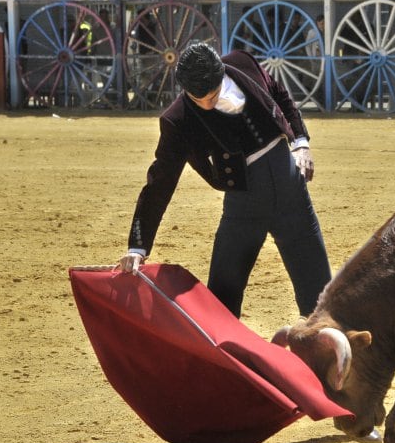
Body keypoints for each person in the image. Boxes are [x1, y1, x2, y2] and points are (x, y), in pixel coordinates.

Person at [118, 42, 332, 321]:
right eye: (199, 100)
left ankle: (330, 359)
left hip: (291, 188)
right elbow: (161, 180)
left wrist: (301, 141)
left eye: (213, 95)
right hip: (245, 203)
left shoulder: (243, 62)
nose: (208, 104)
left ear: (221, 74)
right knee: (221, 301)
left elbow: (279, 93)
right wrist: (138, 246)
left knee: (320, 298)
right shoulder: (177, 120)